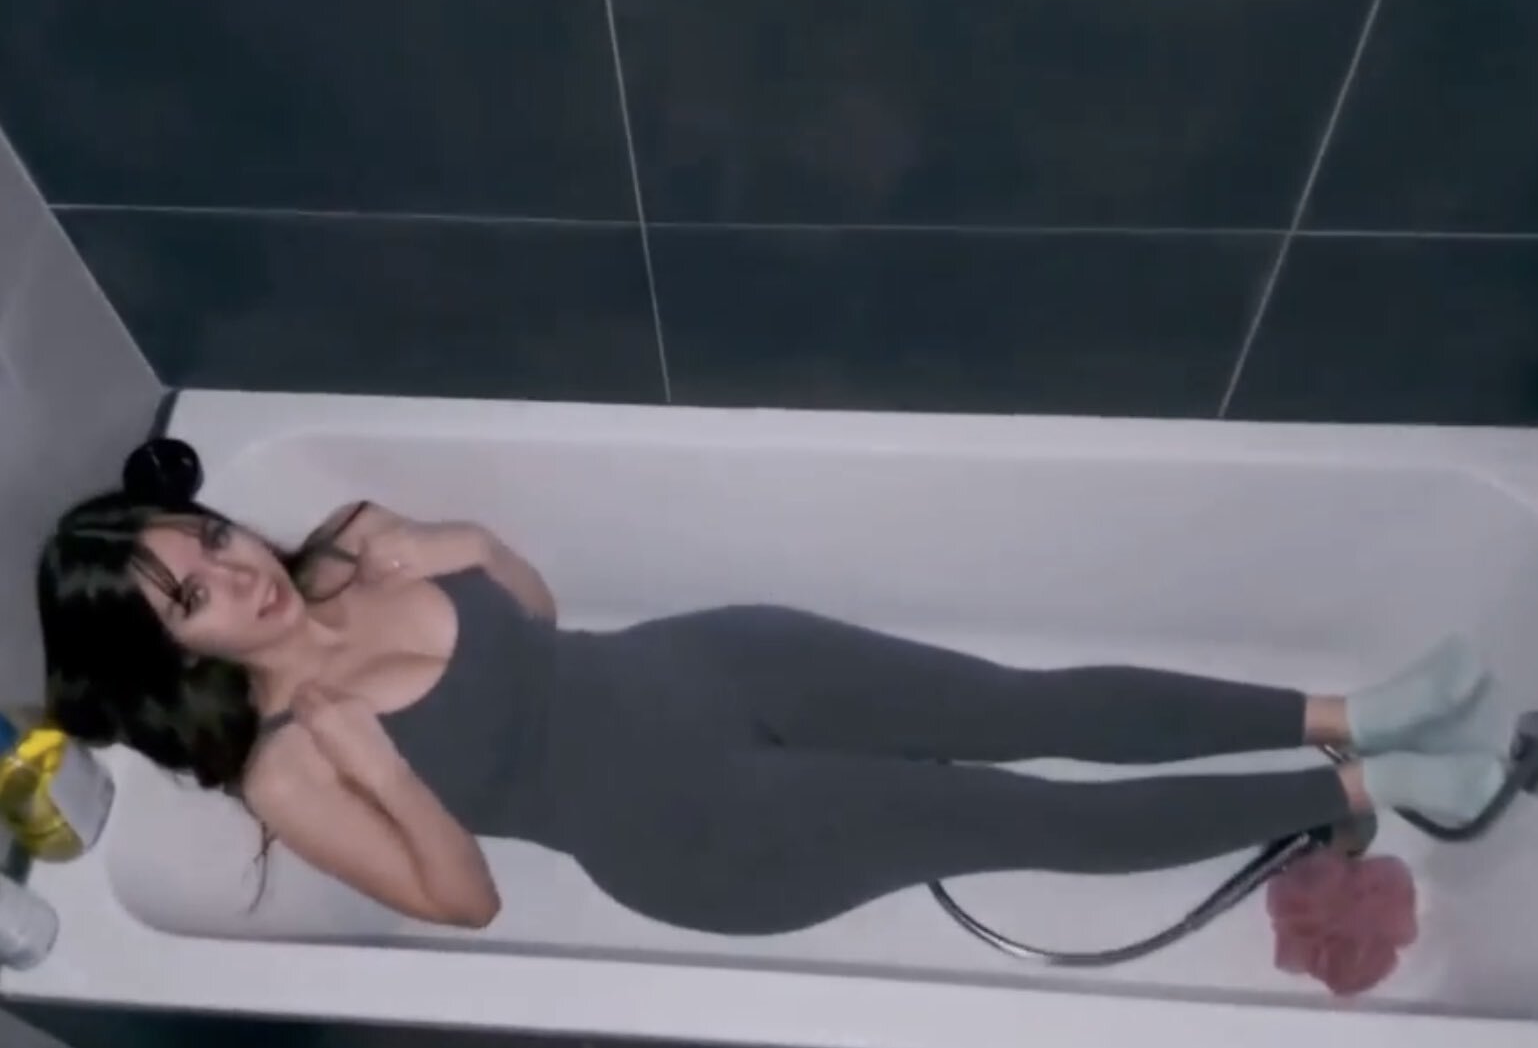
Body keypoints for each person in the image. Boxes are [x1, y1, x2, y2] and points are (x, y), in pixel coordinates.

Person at [34, 467, 1511, 937]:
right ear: (165, 655)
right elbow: (466, 901)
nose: (234, 573)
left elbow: (534, 622)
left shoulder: (352, 547)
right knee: (1019, 815)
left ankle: (1348, 711)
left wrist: (464, 541)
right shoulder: (288, 766)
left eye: (208, 541)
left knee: (1027, 699)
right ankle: (1360, 792)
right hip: (702, 833)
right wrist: (390, 770)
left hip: (708, 662)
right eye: (188, 595)